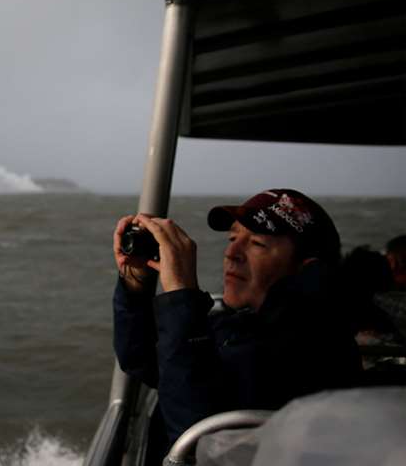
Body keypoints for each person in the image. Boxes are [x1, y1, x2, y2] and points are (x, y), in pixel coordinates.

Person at [112, 189, 361, 447]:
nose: (231, 253)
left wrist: (180, 294)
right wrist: (135, 285)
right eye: (232, 238)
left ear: (308, 269)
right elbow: (143, 360)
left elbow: (200, 441)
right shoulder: (246, 324)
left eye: (257, 244)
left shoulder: (312, 342)